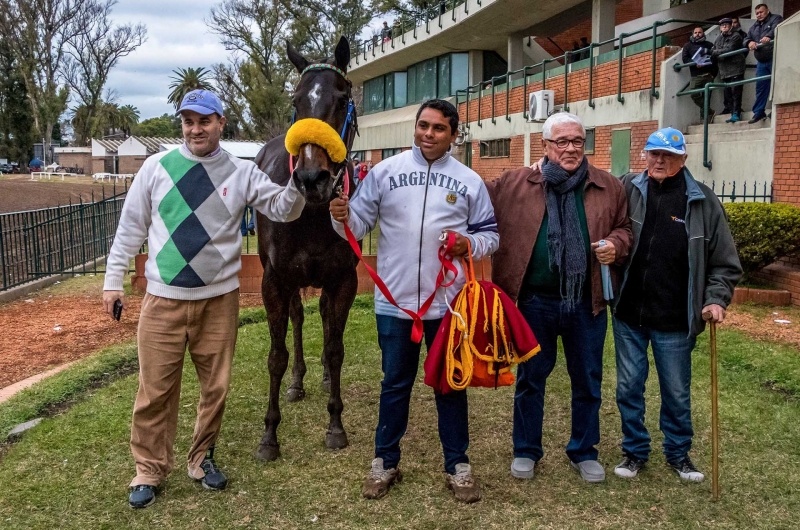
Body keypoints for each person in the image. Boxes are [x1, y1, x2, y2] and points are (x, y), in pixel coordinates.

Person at [103, 89, 305, 509]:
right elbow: (130, 227)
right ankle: (149, 470)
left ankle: (201, 458)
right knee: (154, 390)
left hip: (219, 300)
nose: (196, 129)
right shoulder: (156, 167)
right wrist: (112, 281)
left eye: (205, 121)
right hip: (163, 300)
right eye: (189, 121)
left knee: (215, 388)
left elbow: (284, 209)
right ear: (182, 124)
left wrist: (301, 180)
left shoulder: (241, 171)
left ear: (221, 123)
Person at [329, 99, 499, 503]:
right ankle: (385, 462)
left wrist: (467, 244)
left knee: (450, 385)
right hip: (395, 304)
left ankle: (458, 466)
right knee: (395, 385)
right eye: (423, 125)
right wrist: (340, 216)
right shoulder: (386, 173)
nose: (427, 134)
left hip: (449, 305)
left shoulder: (470, 181)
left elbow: (491, 236)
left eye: (438, 128)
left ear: (454, 135)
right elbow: (356, 226)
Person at [487, 112, 632, 484]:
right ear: (545, 145)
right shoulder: (516, 183)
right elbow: (473, 201)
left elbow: (624, 228)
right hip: (534, 301)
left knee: (587, 379)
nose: (571, 149)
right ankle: (526, 449)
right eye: (562, 142)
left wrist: (615, 245)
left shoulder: (608, 186)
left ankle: (584, 451)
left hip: (587, 301)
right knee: (531, 378)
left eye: (578, 142)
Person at [612, 128, 742, 482]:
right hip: (629, 315)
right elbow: (594, 198)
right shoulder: (627, 189)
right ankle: (634, 451)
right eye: (654, 153)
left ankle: (679, 454)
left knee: (676, 392)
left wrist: (716, 298)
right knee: (628, 387)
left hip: (675, 319)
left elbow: (725, 263)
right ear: (645, 155)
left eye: (668, 156)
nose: (659, 160)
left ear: (683, 159)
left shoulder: (703, 201)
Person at [744, 4, 783, 123]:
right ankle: (759, 112)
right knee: (761, 87)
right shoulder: (754, 26)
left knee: (777, 85)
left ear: (768, 11)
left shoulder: (776, 18)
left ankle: (776, 111)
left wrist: (769, 36)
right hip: (761, 61)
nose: (759, 15)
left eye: (761, 12)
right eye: (757, 13)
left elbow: (777, 28)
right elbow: (746, 38)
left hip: (774, 58)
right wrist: (749, 42)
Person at [712, 18, 746, 123]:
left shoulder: (736, 36)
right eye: (722, 25)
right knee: (728, 94)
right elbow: (713, 51)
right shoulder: (718, 39)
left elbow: (730, 49)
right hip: (724, 71)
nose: (724, 26)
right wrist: (715, 53)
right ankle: (732, 113)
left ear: (731, 26)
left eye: (727, 24)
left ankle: (737, 113)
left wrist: (716, 52)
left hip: (736, 69)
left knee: (736, 92)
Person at [682, 26, 718, 122]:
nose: (697, 34)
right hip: (695, 75)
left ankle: (705, 119)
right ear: (693, 34)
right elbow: (685, 59)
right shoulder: (687, 46)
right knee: (694, 94)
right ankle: (709, 111)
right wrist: (695, 63)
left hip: (708, 74)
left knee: (707, 97)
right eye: (696, 32)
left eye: (700, 32)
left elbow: (715, 58)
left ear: (703, 34)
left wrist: (713, 74)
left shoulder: (709, 45)